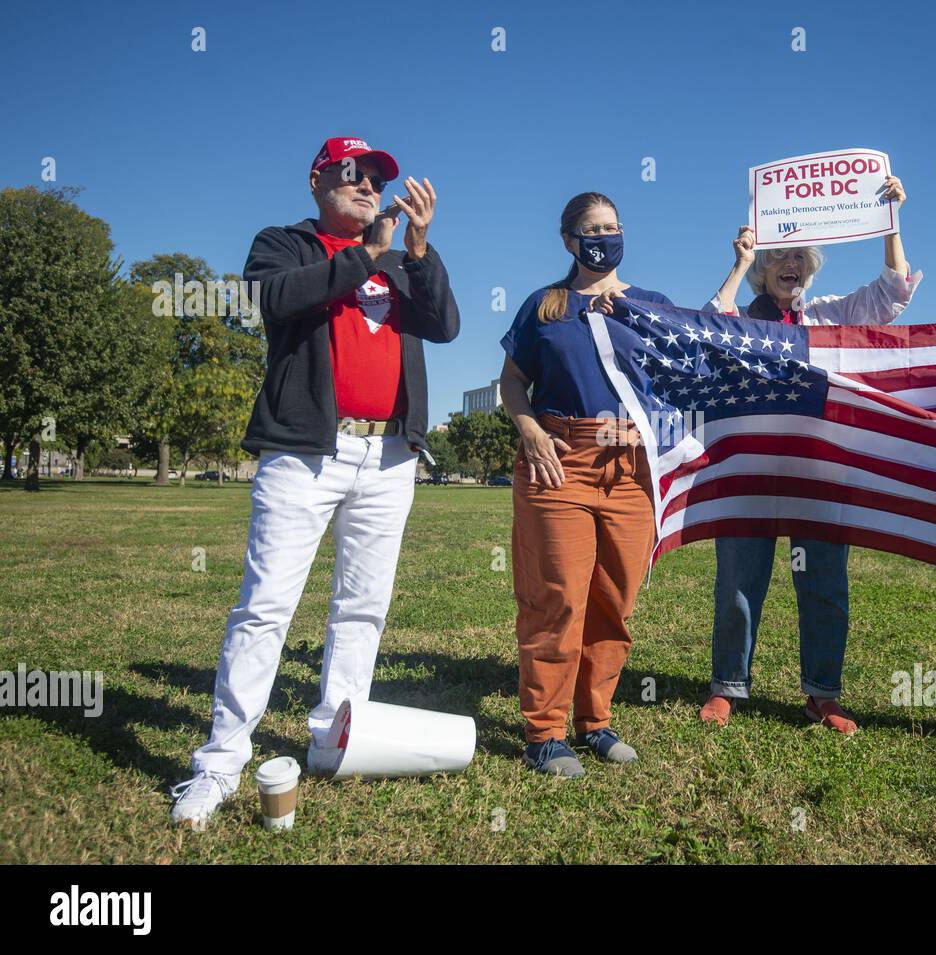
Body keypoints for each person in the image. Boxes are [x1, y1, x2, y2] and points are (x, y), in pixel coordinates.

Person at [170, 137, 460, 828]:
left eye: (377, 179)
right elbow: (273, 300)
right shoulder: (286, 243)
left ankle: (334, 738)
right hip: (305, 452)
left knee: (362, 606)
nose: (367, 187)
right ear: (317, 180)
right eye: (352, 175)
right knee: (266, 607)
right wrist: (364, 254)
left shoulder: (396, 257)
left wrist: (417, 248)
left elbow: (444, 323)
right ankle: (220, 761)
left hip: (388, 454)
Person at [698, 175, 921, 733]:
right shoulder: (744, 317)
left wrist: (891, 221)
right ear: (764, 267)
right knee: (738, 581)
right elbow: (706, 325)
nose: (791, 264)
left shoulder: (827, 316)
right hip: (750, 469)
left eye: (801, 256)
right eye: (780, 256)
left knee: (824, 582)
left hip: (819, 471)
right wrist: (738, 261)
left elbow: (892, 292)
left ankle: (822, 692)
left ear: (812, 269)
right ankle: (727, 685)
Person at [498, 192, 671, 776]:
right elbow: (513, 381)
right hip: (560, 460)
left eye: (613, 226)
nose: (604, 236)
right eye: (592, 228)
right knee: (558, 597)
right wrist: (529, 431)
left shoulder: (648, 306)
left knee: (614, 601)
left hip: (631, 470)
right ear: (570, 240)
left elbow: (706, 344)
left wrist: (741, 265)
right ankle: (544, 733)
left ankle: (595, 722)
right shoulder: (545, 306)